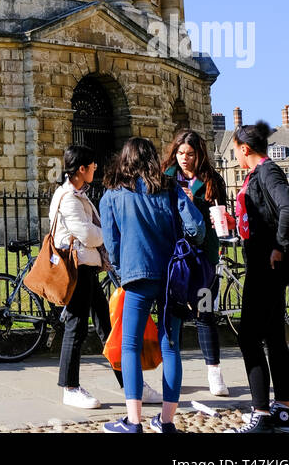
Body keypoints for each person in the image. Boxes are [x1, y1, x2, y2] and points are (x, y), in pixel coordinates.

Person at [100, 136, 205, 434]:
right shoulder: (170, 188)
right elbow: (196, 229)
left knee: (130, 346)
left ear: (124, 160)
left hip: (136, 276)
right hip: (172, 276)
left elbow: (112, 244)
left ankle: (133, 422)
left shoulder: (112, 194)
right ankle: (167, 421)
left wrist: (122, 273)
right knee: (171, 347)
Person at [51, 145, 138, 410]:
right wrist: (111, 233)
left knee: (106, 328)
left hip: (87, 266)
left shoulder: (78, 195)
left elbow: (90, 232)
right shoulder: (68, 197)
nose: (96, 169)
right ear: (81, 169)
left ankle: (130, 383)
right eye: (92, 166)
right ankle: (70, 387)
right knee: (75, 328)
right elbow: (87, 235)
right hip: (78, 269)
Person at [232, 120, 289, 434]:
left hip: (266, 267)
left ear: (245, 149)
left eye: (236, 151)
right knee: (273, 337)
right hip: (265, 265)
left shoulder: (267, 171)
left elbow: (288, 207)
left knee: (248, 337)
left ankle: (261, 413)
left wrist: (279, 247)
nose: (236, 157)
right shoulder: (259, 173)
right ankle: (283, 411)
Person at [163, 129, 230, 397]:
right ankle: (172, 374)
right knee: (173, 317)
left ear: (199, 154)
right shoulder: (166, 178)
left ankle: (214, 372)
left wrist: (198, 205)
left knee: (205, 314)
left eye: (190, 154)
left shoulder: (211, 180)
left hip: (203, 259)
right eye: (180, 153)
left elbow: (221, 216)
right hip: (176, 259)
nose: (184, 159)